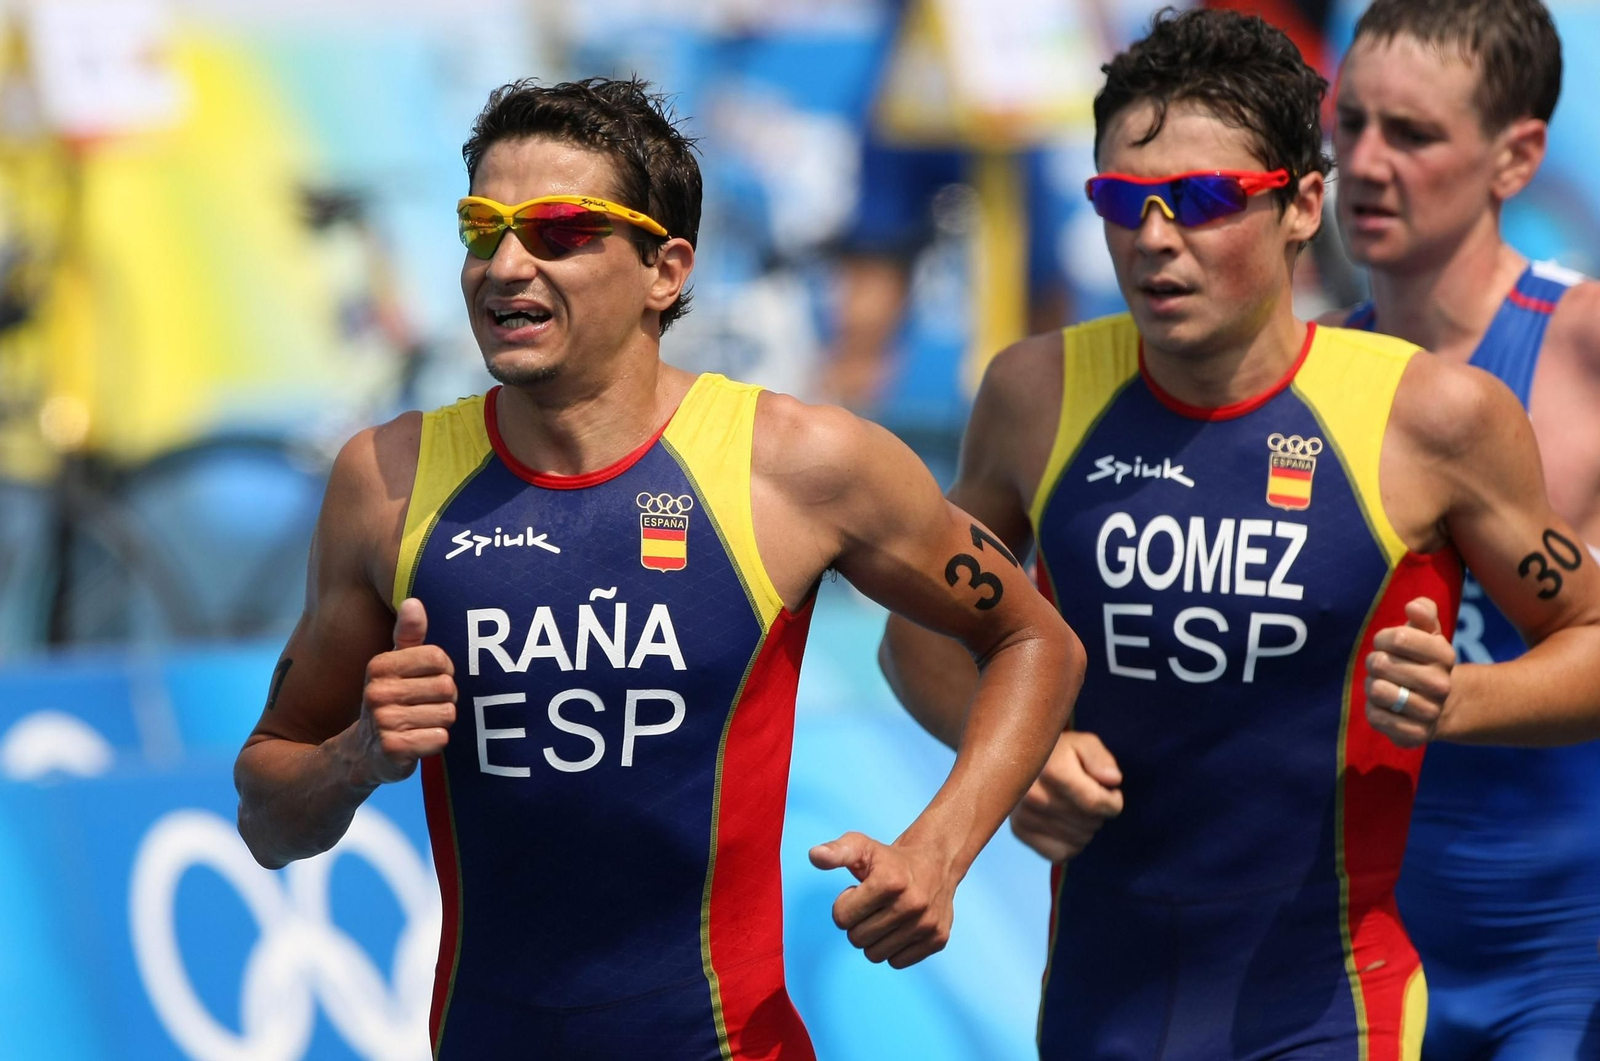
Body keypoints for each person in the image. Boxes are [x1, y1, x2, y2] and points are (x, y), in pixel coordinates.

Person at [232, 77, 1083, 1060]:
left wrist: (940, 847)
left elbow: (1032, 637)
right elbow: (266, 816)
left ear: (664, 269)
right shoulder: (384, 480)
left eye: (558, 230)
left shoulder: (799, 465)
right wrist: (356, 758)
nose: (505, 264)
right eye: (482, 228)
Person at [879, 8, 1600, 1059]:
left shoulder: (1435, 415)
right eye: (1122, 202)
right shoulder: (1035, 394)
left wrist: (1467, 693)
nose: (1156, 237)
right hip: (1102, 995)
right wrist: (1013, 757)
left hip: (1361, 994)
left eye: (1206, 201)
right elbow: (922, 630)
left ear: (1298, 207)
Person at [1330, 1, 1600, 1054]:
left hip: (1567, 956)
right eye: (1347, 123)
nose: (1362, 161)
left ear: (1516, 155)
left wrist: (1458, 695)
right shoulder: (1303, 382)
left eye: (1410, 133)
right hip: (1358, 960)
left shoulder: (1580, 349)